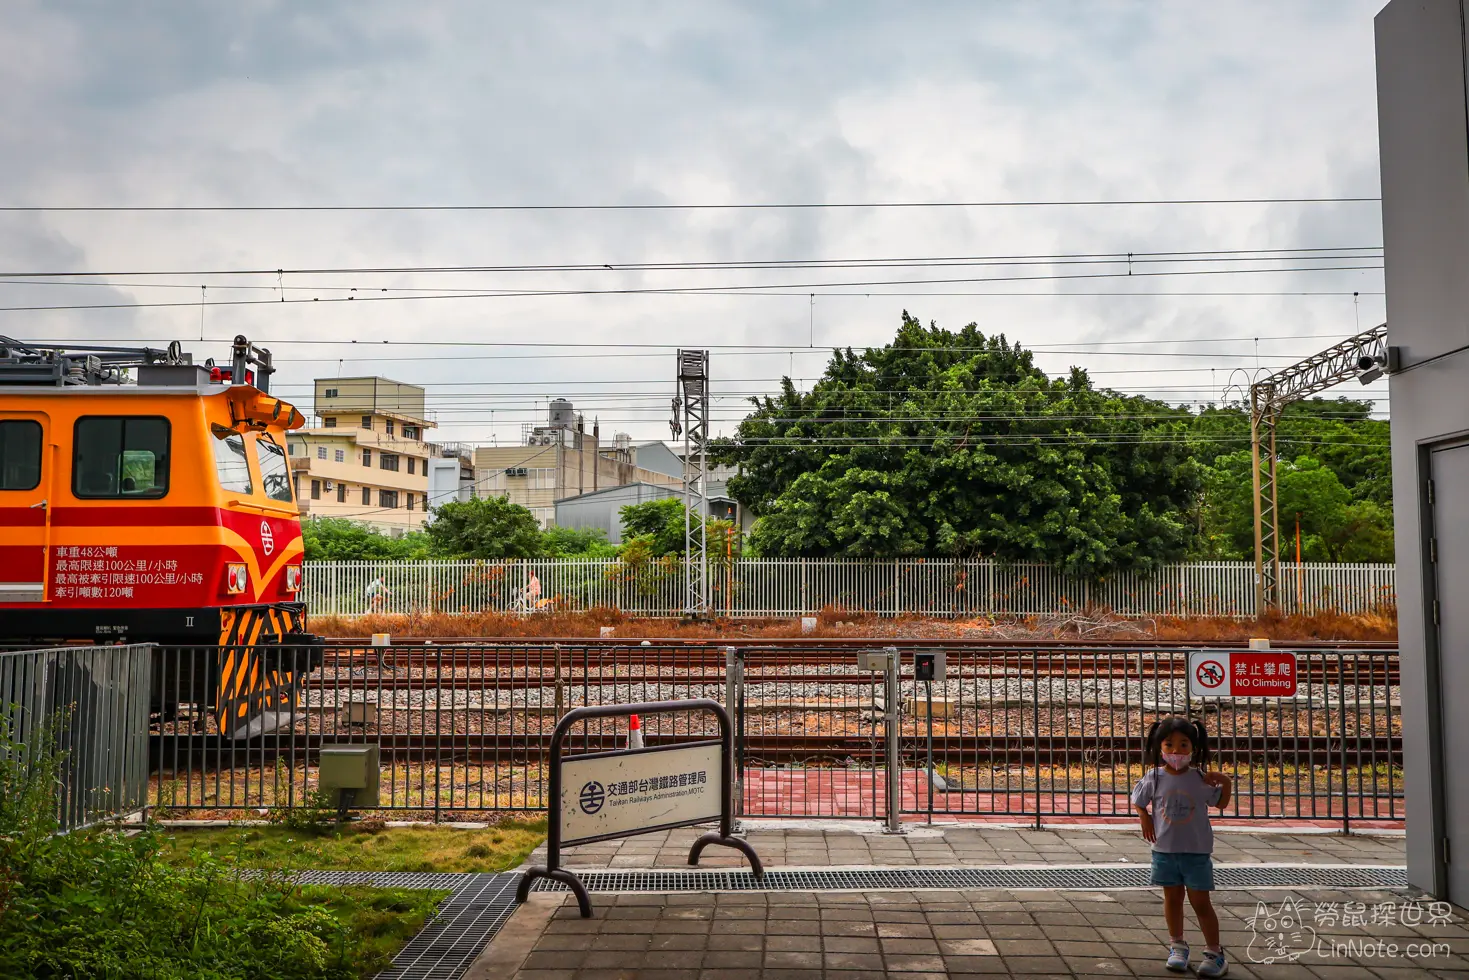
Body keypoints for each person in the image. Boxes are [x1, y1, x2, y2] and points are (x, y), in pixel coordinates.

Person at [1132, 717, 1233, 978]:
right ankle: (1177, 945)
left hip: (1197, 852)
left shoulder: (1200, 777)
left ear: (1194, 747)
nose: (1176, 751)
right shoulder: (1154, 777)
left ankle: (1215, 952)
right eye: (1169, 744)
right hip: (1165, 850)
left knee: (1201, 902)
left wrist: (1226, 782)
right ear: (1160, 747)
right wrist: (1144, 817)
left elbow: (1220, 803)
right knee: (1173, 900)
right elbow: (1139, 800)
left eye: (1183, 744)